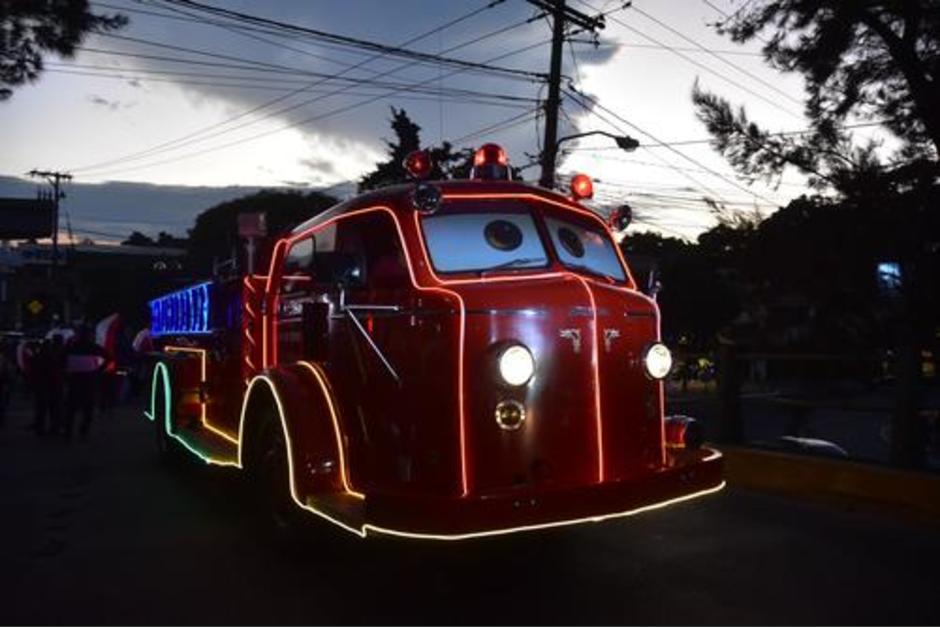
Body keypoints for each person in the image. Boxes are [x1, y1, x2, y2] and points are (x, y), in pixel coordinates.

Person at [63, 326, 110, 440]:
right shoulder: (92, 347)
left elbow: (61, 359)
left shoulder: (71, 346)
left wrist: (66, 370)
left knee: (72, 407)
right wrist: (98, 369)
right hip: (89, 379)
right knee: (87, 407)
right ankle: (83, 429)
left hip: (76, 378)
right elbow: (108, 357)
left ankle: (70, 430)